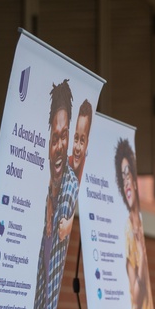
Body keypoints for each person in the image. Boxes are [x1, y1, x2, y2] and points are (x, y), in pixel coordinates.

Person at [31, 79, 79, 309]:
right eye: (54, 138)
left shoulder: (69, 186)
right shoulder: (46, 189)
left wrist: (66, 220)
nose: (59, 146)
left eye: (64, 137)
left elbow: (68, 204)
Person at [115, 138, 155, 309]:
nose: (126, 183)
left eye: (127, 175)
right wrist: (141, 251)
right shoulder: (128, 230)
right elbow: (137, 300)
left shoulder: (140, 222)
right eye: (122, 180)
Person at [58, 100, 93, 241]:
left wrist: (69, 224)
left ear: (87, 143)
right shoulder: (68, 162)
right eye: (76, 139)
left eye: (82, 141)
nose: (77, 147)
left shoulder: (87, 171)